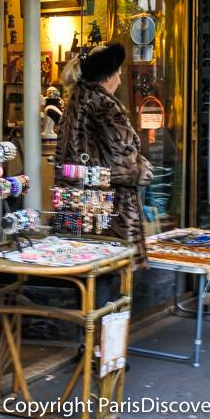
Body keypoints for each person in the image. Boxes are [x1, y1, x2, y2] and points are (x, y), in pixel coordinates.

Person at [56, 43, 153, 267]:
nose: (119, 80)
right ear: (108, 76)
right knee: (112, 273)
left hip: (77, 202)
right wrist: (145, 170)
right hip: (109, 209)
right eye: (118, 74)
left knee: (83, 267)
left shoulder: (76, 101)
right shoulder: (106, 106)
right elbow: (124, 166)